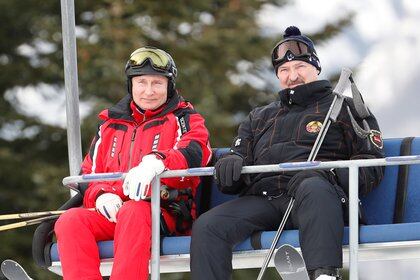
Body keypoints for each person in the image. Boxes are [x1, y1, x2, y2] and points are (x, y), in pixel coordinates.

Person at [190, 26, 384, 280]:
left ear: (316, 68)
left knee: (311, 184)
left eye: (300, 67)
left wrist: (331, 176)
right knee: (208, 226)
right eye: (284, 70)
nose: (292, 75)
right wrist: (230, 165)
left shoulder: (343, 108)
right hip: (265, 200)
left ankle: (324, 275)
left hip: (318, 199)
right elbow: (238, 158)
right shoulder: (260, 116)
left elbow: (372, 162)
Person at [54, 46, 212, 280]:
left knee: (133, 211)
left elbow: (196, 150)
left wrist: (158, 162)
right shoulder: (110, 124)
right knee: (71, 220)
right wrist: (101, 196)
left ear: (169, 86)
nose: (149, 91)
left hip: (163, 210)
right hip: (114, 209)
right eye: (142, 83)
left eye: (157, 83)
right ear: (131, 85)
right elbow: (88, 174)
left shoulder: (183, 118)